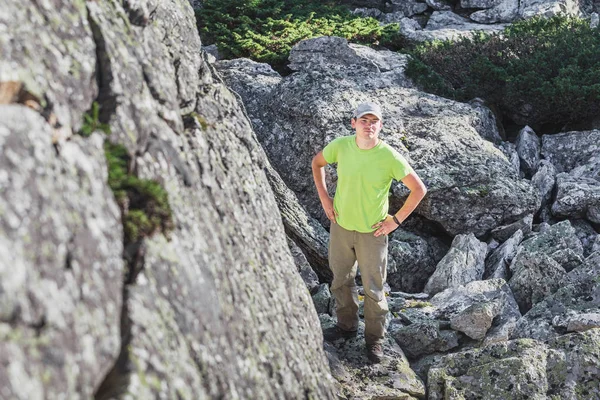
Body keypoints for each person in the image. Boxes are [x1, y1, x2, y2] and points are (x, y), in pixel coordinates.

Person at [311, 102, 427, 363]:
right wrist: (325, 199)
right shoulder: (340, 146)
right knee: (341, 280)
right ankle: (346, 327)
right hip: (341, 228)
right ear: (354, 123)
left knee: (373, 289)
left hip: (372, 234)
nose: (369, 125)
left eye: (374, 121)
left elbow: (419, 189)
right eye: (364, 120)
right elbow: (317, 163)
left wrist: (395, 221)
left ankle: (375, 340)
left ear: (381, 126)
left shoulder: (389, 156)